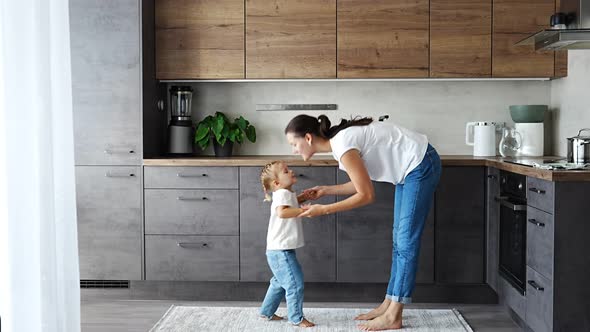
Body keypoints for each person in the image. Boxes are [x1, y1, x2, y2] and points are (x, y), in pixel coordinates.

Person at [284, 114, 441, 331]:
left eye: (294, 144)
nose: (294, 149)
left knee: (406, 243)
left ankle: (394, 315)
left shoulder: (343, 145)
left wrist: (324, 210)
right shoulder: (341, 143)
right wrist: (326, 191)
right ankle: (389, 303)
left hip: (420, 164)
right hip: (410, 169)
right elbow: (360, 184)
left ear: (308, 138)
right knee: (399, 241)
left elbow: (366, 195)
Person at [258, 161, 316, 328]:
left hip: (278, 250)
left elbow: (288, 205)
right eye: (286, 171)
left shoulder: (285, 193)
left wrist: (303, 198)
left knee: (279, 282)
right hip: (281, 251)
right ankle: (296, 318)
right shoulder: (283, 193)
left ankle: (266, 311)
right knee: (295, 283)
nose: (291, 171)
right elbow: (282, 212)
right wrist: (303, 211)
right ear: (277, 183)